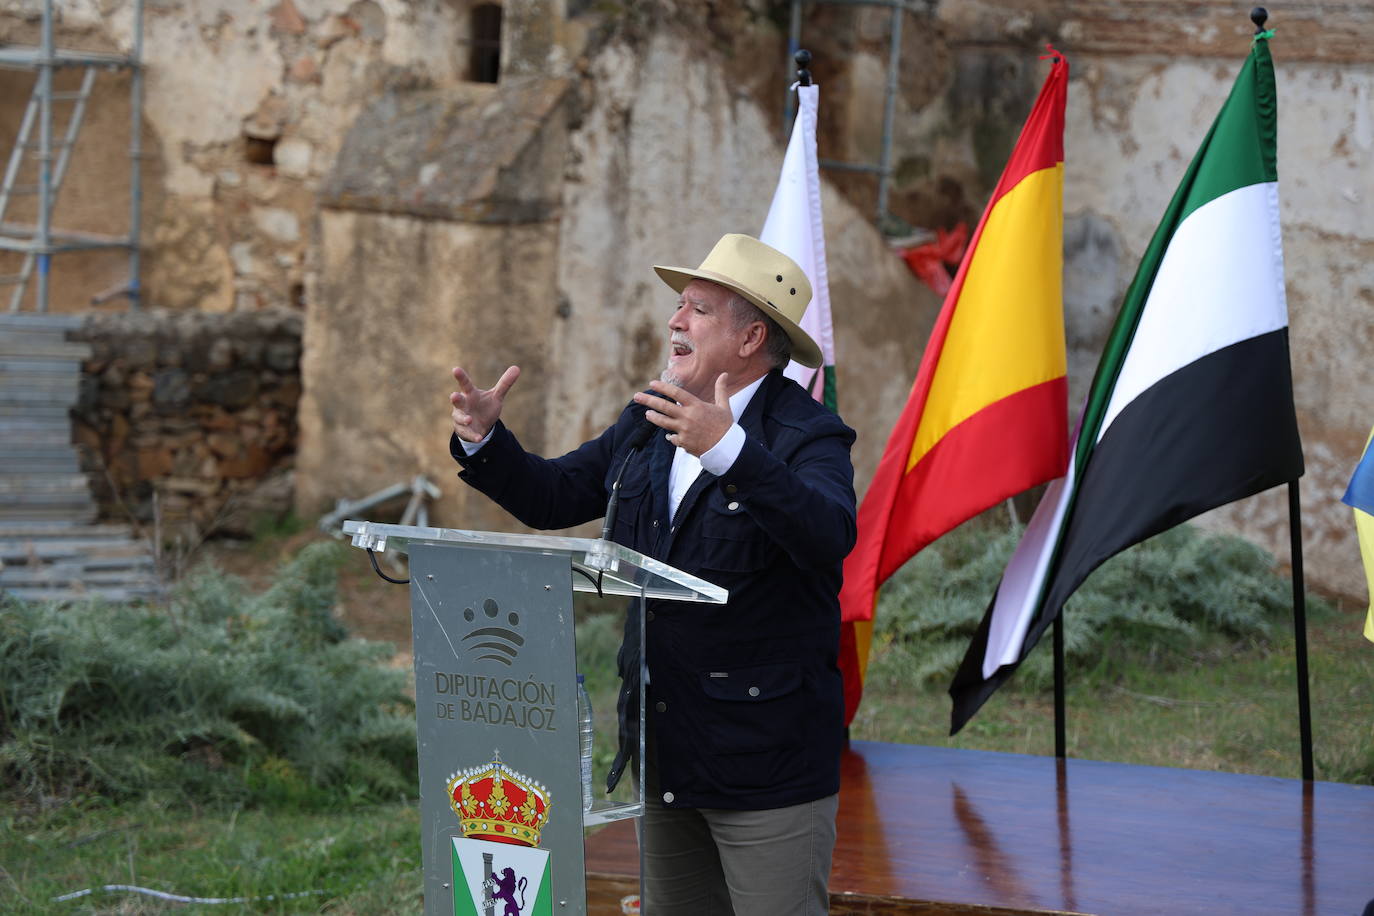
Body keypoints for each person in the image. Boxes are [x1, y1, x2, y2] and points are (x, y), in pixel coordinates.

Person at [448, 233, 856, 915]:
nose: (675, 321)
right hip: (666, 751)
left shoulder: (808, 434)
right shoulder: (649, 417)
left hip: (767, 765)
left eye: (697, 309)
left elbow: (827, 534)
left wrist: (729, 451)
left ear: (751, 335)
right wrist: (485, 440)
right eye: (680, 307)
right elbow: (554, 497)